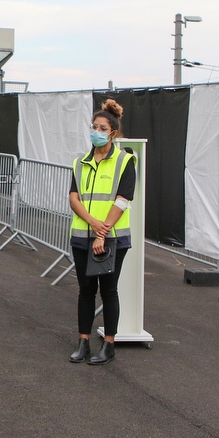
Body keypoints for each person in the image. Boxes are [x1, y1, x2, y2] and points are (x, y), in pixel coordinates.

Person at [67, 99, 136, 365]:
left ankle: (109, 344)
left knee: (108, 290)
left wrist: (102, 233)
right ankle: (83, 341)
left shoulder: (124, 161)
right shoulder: (80, 162)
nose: (96, 131)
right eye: (93, 126)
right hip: (83, 236)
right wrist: (93, 224)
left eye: (102, 128)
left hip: (112, 238)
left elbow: (122, 199)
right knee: (85, 290)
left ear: (113, 133)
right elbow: (74, 198)